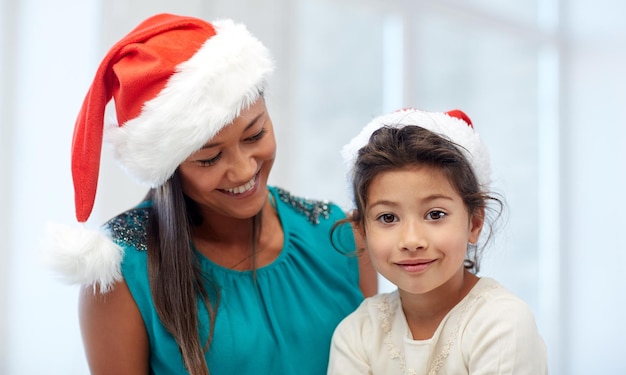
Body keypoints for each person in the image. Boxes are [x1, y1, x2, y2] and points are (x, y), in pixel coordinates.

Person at [43, 13, 377, 375]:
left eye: (255, 135)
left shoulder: (340, 238)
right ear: (169, 169)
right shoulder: (119, 277)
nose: (245, 170)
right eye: (209, 158)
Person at [327, 108, 548, 374]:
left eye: (435, 214)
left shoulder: (501, 323)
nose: (411, 240)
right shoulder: (358, 333)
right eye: (387, 218)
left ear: (474, 223)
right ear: (362, 230)